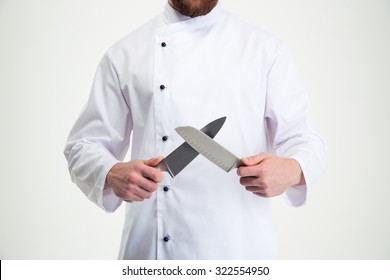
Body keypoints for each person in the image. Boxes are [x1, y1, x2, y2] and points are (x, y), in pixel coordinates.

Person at [64, 0, 326, 259]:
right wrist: (111, 173)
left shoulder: (266, 50)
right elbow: (83, 146)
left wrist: (292, 169)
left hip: (240, 251)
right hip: (153, 254)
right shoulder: (124, 55)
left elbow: (306, 141)